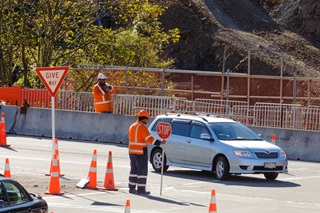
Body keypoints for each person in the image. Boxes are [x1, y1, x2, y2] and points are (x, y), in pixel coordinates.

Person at [128, 109, 166, 195]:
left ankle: (131, 188)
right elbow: (149, 139)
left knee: (133, 170)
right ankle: (141, 189)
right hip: (141, 152)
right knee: (142, 171)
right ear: (144, 118)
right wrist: (160, 142)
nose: (147, 121)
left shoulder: (132, 126)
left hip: (131, 152)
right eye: (147, 119)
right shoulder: (142, 127)